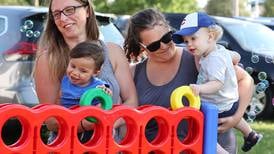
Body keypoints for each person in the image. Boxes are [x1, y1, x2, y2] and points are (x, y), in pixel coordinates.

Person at [124, 8, 254, 153]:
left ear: (171, 31)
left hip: (211, 147)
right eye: (154, 46)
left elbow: (245, 80)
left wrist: (237, 117)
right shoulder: (134, 72)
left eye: (167, 38)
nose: (164, 46)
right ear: (142, 47)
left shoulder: (198, 56)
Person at [34, 0, 138, 140]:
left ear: (87, 11)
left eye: (70, 10)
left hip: (110, 148)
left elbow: (132, 101)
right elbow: (51, 121)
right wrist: (86, 124)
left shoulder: (113, 51)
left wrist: (106, 123)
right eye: (57, 14)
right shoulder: (48, 60)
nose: (63, 18)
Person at [172, 12, 263, 152]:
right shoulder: (219, 50)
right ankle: (250, 134)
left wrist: (200, 88)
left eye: (193, 38)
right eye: (185, 41)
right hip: (228, 102)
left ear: (210, 36)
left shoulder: (213, 60)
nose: (189, 44)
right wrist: (232, 60)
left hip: (219, 106)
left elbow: (217, 84)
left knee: (203, 134)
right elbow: (236, 56)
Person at [60, 41, 111, 108]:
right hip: (67, 116)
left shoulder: (98, 85)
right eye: (73, 66)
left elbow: (106, 94)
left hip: (89, 116)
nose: (75, 73)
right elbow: (58, 100)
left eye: (83, 71)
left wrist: (106, 91)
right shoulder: (65, 81)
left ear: (95, 72)